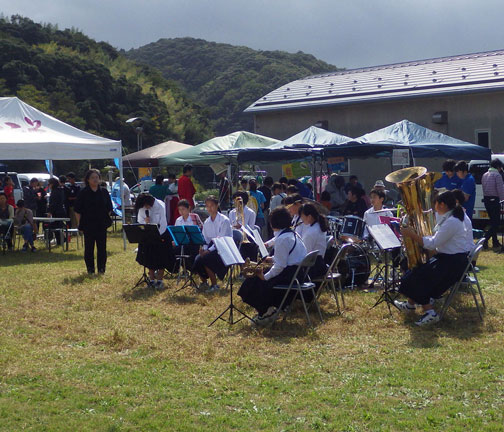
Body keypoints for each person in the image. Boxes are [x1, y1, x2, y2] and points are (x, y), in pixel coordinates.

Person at [394, 191, 469, 326]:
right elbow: (436, 238)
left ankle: (431, 313)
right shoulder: (449, 217)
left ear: (442, 204)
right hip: (448, 259)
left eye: (435, 203)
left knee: (417, 278)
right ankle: (410, 305)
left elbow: (433, 243)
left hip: (452, 263)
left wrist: (412, 235)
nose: (434, 207)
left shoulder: (452, 222)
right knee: (413, 273)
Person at [238, 206, 308, 326]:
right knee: (258, 277)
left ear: (273, 223)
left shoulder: (283, 239)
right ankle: (267, 309)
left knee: (254, 281)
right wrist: (272, 259)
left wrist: (265, 277)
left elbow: (280, 266)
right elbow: (289, 256)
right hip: (297, 273)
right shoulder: (292, 233)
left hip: (290, 276)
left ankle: (266, 312)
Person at [74, 169, 113, 274]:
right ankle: (90, 269)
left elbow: (109, 208)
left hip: (101, 224)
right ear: (88, 179)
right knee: (89, 248)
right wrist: (79, 223)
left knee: (102, 248)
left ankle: (101, 269)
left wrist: (105, 218)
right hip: (88, 224)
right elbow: (77, 210)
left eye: (97, 177)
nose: (95, 179)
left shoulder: (104, 192)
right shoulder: (83, 192)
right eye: (92, 178)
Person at [192, 196, 232, 292]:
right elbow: (206, 239)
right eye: (207, 206)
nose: (210, 208)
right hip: (212, 247)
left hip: (224, 248)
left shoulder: (224, 220)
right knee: (198, 259)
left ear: (217, 205)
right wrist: (204, 249)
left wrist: (208, 251)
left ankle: (214, 285)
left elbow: (221, 239)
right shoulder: (207, 222)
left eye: (212, 206)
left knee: (206, 258)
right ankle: (204, 281)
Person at [135, 193, 175, 288]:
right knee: (149, 258)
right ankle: (152, 280)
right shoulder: (142, 207)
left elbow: (163, 224)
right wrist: (145, 222)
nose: (146, 207)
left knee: (161, 258)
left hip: (161, 234)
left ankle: (160, 280)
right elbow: (140, 220)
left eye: (147, 205)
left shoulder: (160, 206)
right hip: (148, 235)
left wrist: (157, 236)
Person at [299, 203, 329, 279]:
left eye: (302, 216)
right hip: (320, 265)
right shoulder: (318, 226)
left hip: (312, 268)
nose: (301, 219)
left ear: (309, 217)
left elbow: (305, 254)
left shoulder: (311, 232)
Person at [481, 159, 504, 250]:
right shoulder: (497, 175)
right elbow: (500, 189)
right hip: (495, 200)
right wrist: (503, 199)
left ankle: (495, 242)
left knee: (492, 221)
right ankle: (484, 239)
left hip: (487, 200)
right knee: (496, 223)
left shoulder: (485, 175)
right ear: (498, 167)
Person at [452, 189, 475, 254]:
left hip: (463, 253)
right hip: (466, 250)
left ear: (456, 201)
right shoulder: (461, 214)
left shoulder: (457, 218)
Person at [47, 178, 67, 246]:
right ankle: (61, 240)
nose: (48, 185)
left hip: (57, 211)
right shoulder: (60, 190)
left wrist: (50, 211)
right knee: (58, 226)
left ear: (52, 184)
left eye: (49, 184)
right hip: (60, 210)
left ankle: (60, 241)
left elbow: (53, 203)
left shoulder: (55, 191)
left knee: (55, 227)